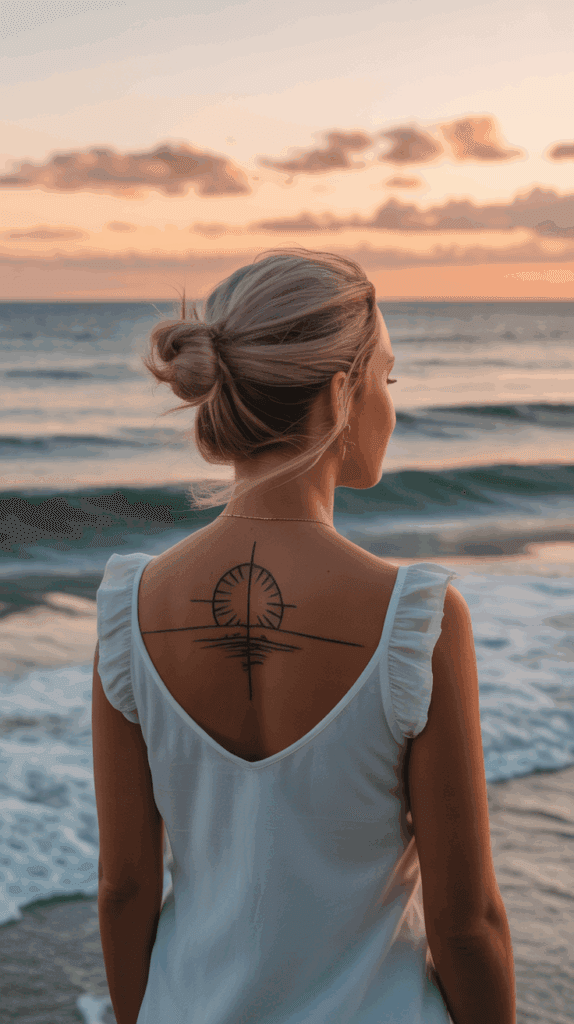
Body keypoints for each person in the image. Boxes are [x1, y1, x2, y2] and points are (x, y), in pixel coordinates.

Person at [92, 247, 516, 1024]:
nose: (392, 403)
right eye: (387, 378)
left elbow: (124, 889)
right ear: (340, 392)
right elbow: (467, 924)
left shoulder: (129, 607)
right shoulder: (413, 618)